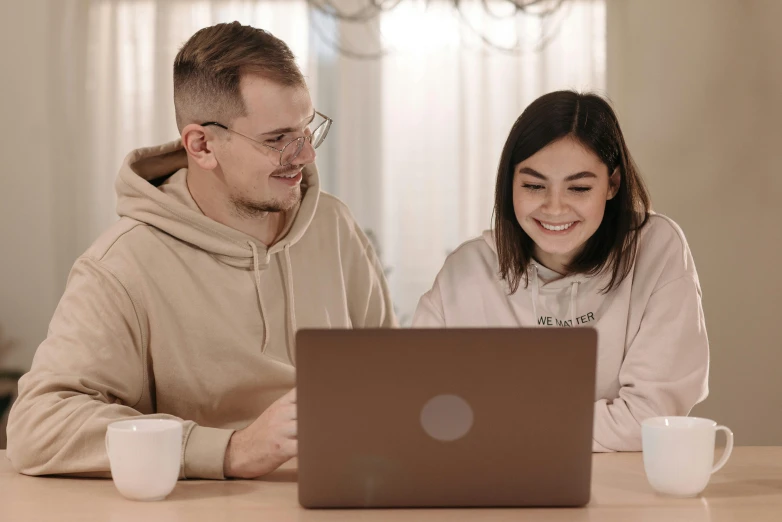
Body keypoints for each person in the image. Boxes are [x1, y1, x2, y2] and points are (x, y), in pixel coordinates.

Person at [7, 22, 396, 479]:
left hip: (349, 490)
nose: (306, 155)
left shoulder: (333, 225)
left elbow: (388, 375)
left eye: (307, 130)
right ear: (202, 145)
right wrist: (231, 450)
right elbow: (39, 426)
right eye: (277, 140)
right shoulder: (123, 264)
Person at [412, 91, 708, 452]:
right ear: (510, 184)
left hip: (622, 494)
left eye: (579, 188)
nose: (554, 208)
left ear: (612, 184)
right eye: (534, 185)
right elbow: (421, 408)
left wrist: (498, 421)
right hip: (495, 490)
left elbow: (651, 419)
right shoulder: (466, 270)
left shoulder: (656, 250)